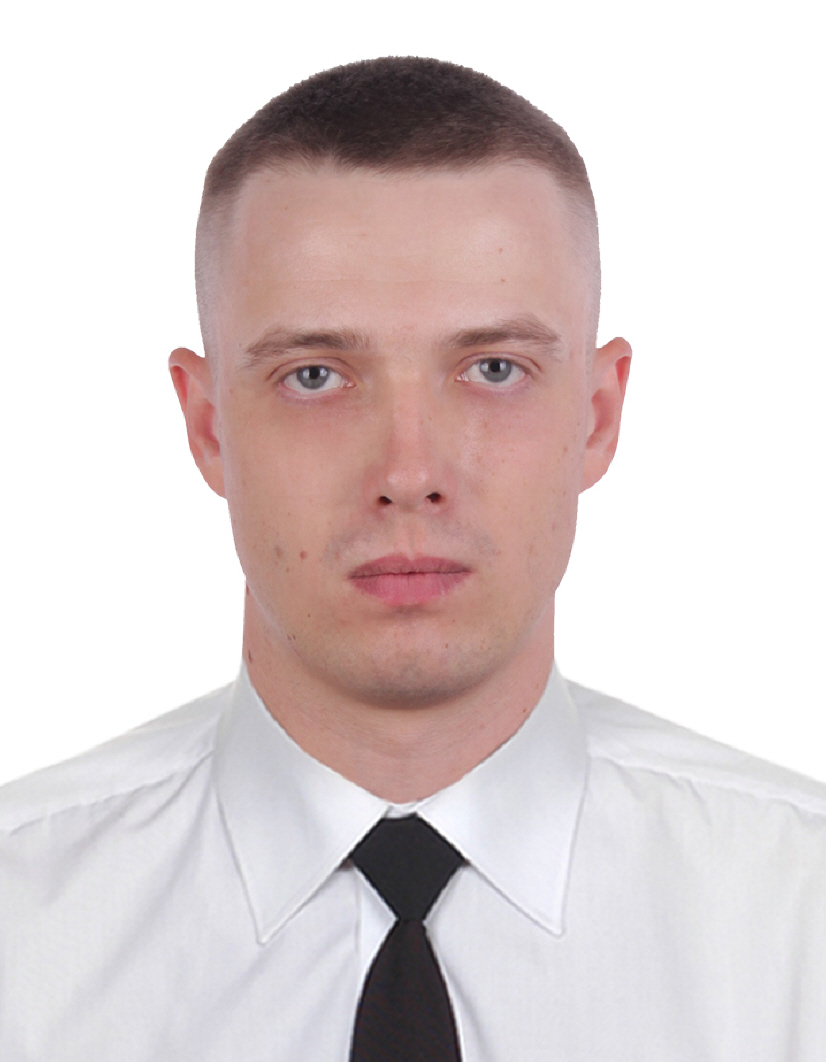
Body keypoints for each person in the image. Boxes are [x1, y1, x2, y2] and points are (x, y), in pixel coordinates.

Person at [1, 56, 823, 1062]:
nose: (408, 474)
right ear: (208, 425)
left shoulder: (801, 923)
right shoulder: (19, 935)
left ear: (598, 416)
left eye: (493, 369)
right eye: (314, 375)